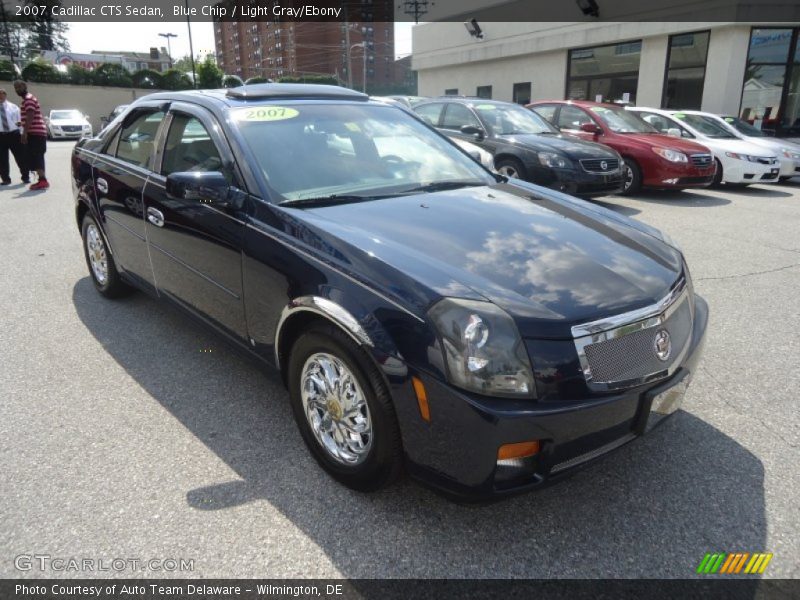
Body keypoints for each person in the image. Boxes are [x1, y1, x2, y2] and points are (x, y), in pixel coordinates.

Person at [13, 80, 48, 190]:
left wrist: (24, 133)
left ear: (25, 86)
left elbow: (31, 116)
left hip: (36, 133)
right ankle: (42, 180)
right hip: (36, 132)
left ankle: (42, 181)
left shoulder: (28, 99)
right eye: (16, 88)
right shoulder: (28, 99)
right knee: (35, 156)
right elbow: (31, 117)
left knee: (36, 156)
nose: (17, 89)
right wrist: (22, 123)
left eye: (19, 87)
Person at [0, 88, 28, 185]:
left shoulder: (13, 107)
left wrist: (22, 133)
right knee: (2, 159)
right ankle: (6, 179)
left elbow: (19, 121)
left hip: (14, 134)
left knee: (21, 157)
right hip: (0, 135)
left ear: (5, 95)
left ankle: (25, 177)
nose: (0, 96)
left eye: (2, 93)